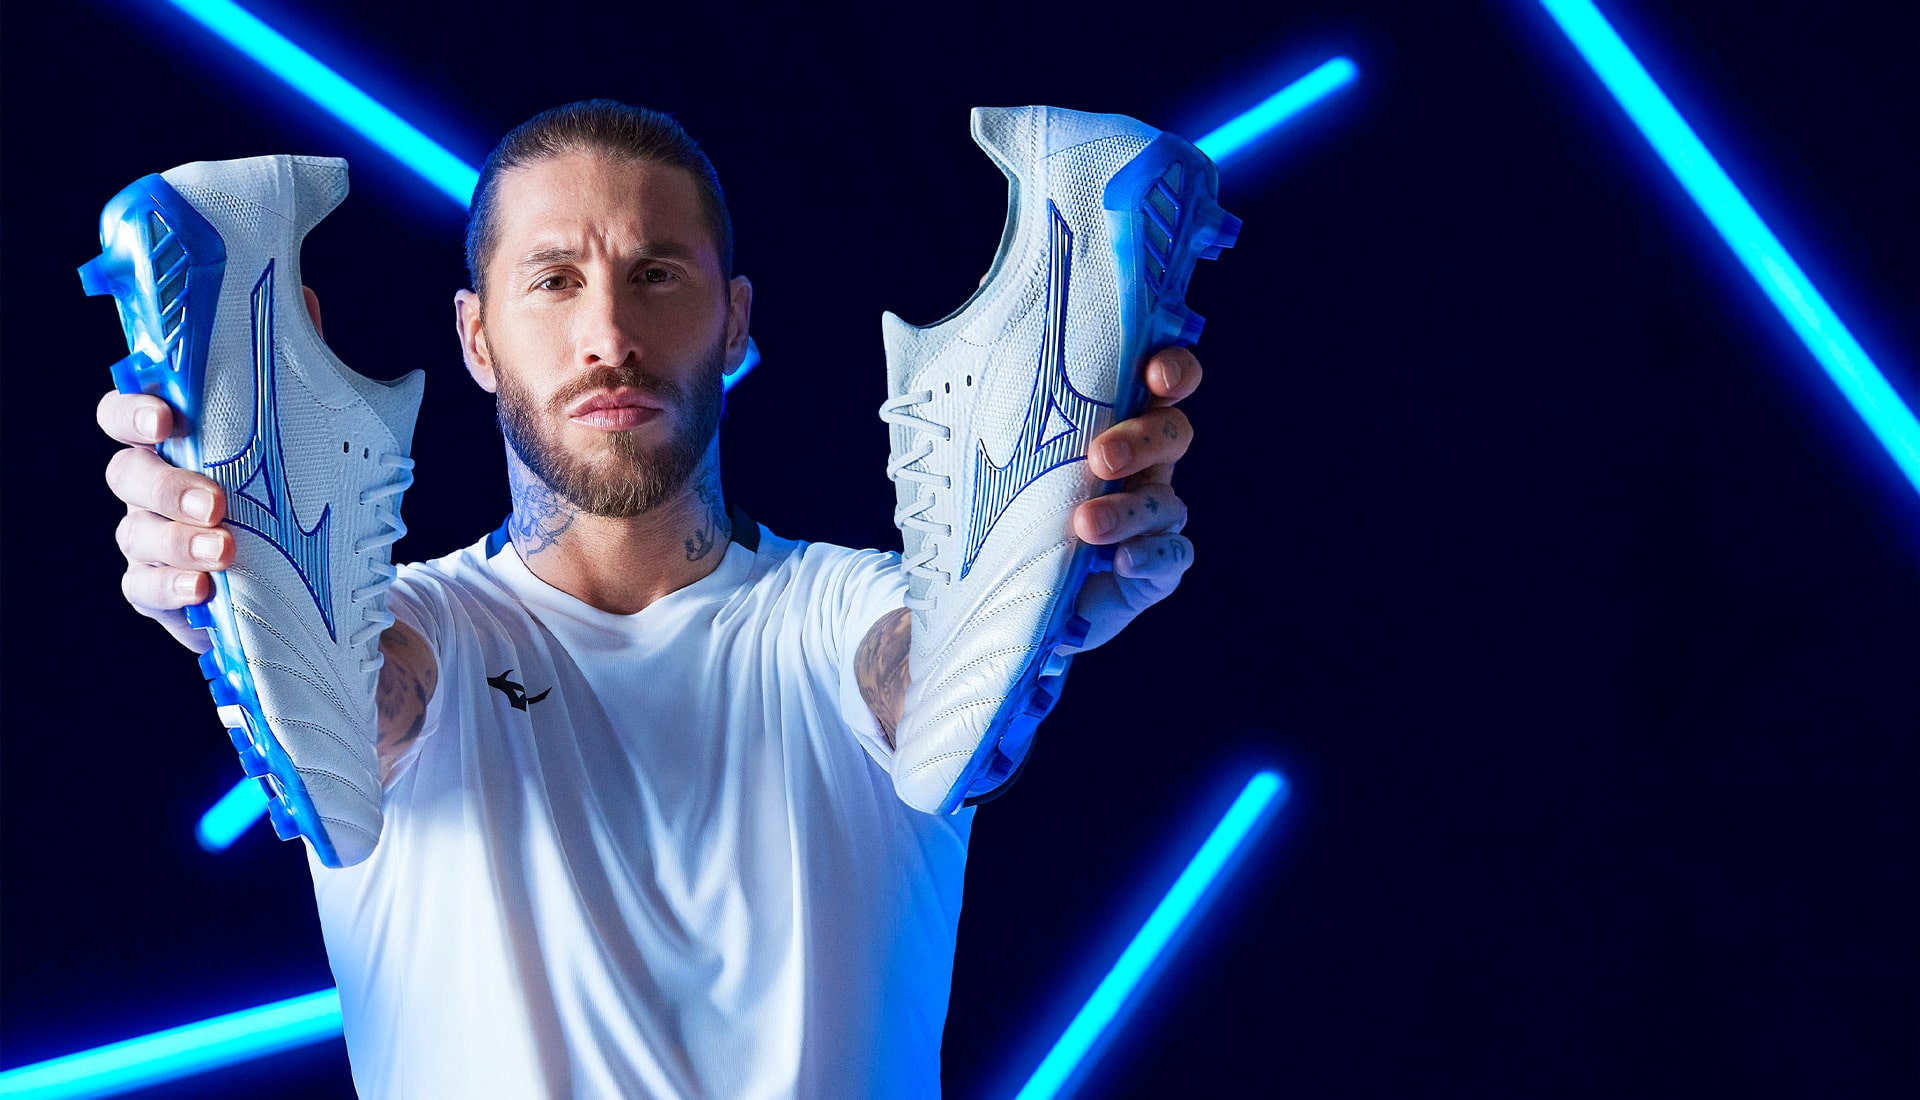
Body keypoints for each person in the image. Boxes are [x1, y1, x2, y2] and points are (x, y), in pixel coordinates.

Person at [94, 101, 1204, 1096]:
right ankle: (260, 511)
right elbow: (371, 709)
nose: (610, 337)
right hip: (337, 645)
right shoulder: (417, 633)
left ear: (734, 321)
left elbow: (914, 682)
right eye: (555, 280)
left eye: (657, 274)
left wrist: (1056, 577)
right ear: (477, 336)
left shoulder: (841, 615)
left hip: (945, 621)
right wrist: (210, 547)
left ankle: (1032, 485)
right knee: (325, 684)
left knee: (966, 661)